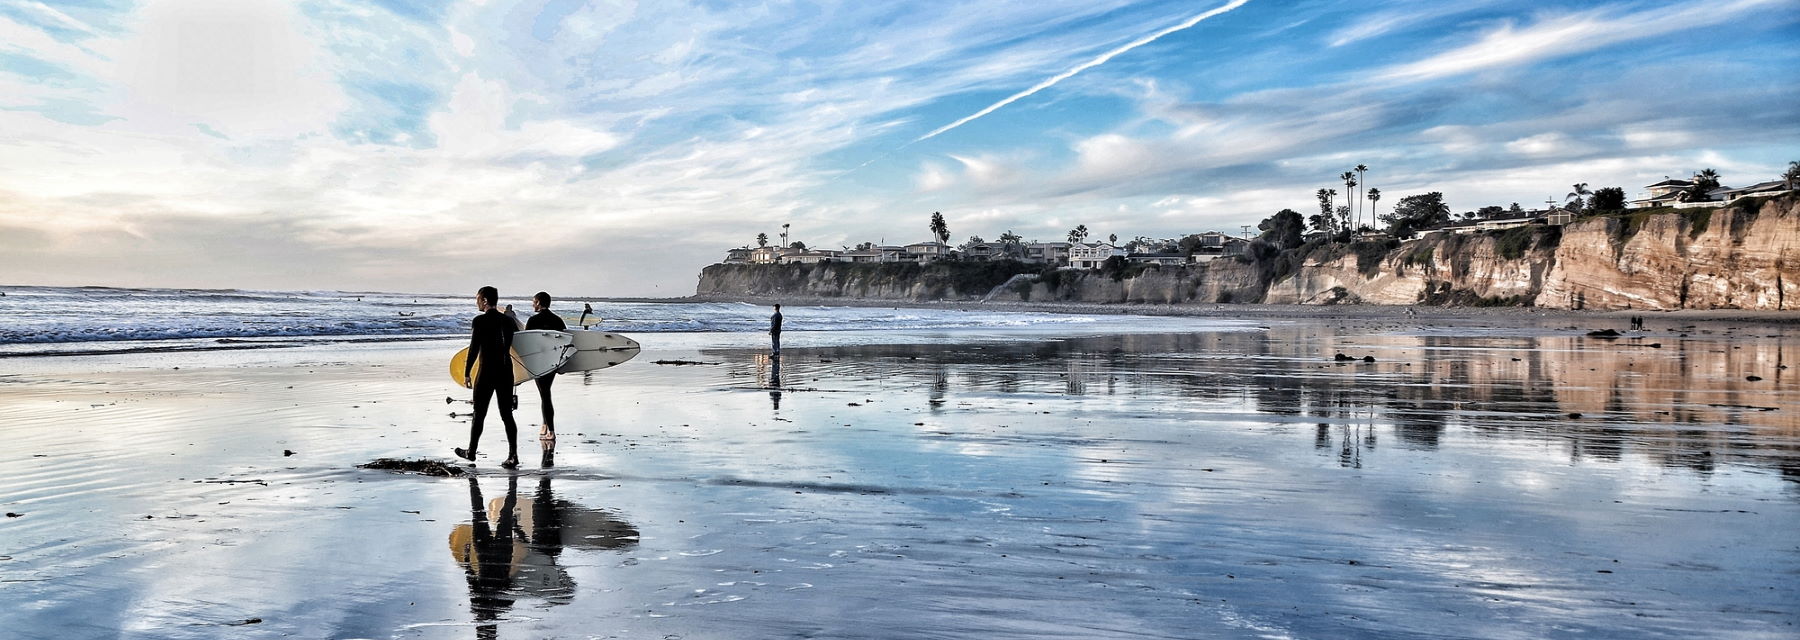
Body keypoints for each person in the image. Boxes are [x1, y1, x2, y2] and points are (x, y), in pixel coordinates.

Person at [457, 286, 520, 469]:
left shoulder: (479, 321)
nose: (476, 302)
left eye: (478, 299)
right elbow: (520, 340)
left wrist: (467, 372)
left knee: (479, 414)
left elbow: (474, 348)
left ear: (484, 300)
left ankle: (471, 452)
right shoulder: (508, 321)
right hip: (506, 370)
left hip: (486, 372)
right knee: (507, 415)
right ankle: (513, 456)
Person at [526, 291, 567, 454]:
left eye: (533, 302)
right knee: (545, 392)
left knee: (545, 394)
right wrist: (561, 365)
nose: (532, 304)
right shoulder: (557, 320)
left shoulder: (533, 320)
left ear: (538, 302)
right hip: (553, 362)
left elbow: (526, 343)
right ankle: (545, 425)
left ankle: (551, 430)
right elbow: (565, 342)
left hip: (539, 362)